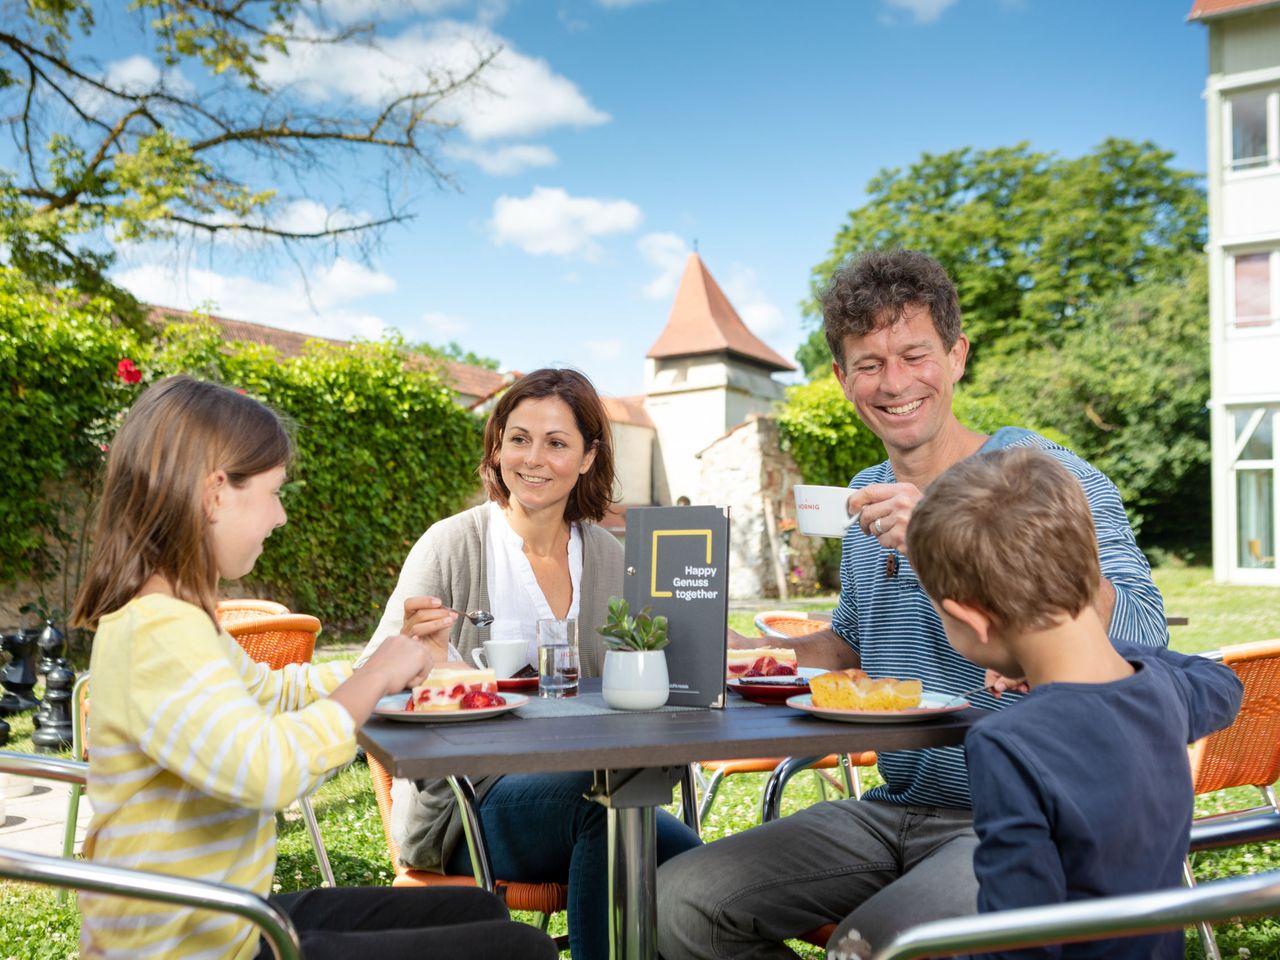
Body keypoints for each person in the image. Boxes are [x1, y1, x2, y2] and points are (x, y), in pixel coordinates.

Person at [656, 249, 1170, 960]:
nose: (894, 383)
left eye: (915, 355)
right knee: (678, 903)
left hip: (1017, 813)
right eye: (868, 363)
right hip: (893, 808)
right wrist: (749, 651)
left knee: (876, 948)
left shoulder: (1043, 474)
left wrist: (955, 538)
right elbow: (848, 646)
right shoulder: (864, 495)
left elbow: (1144, 632)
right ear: (841, 379)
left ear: (957, 356)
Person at [70, 375, 557, 960]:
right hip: (191, 947)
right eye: (274, 493)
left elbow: (274, 692)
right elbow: (268, 770)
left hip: (226, 920)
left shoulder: (176, 619)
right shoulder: (158, 630)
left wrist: (389, 658)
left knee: (476, 907)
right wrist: (375, 680)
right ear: (215, 493)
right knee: (516, 951)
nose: (279, 518)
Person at [358, 366, 702, 960]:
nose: (533, 458)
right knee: (609, 813)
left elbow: (643, 672)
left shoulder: (607, 554)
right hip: (464, 805)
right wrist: (415, 659)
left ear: (589, 456)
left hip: (592, 779)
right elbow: (367, 685)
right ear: (497, 448)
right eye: (518, 438)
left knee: (698, 867)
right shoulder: (451, 545)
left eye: (557, 442)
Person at [862, 446, 1239, 960]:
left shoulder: (1008, 743)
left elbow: (1021, 938)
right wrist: (1088, 655)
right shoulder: (1162, 690)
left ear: (971, 620)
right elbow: (1220, 682)